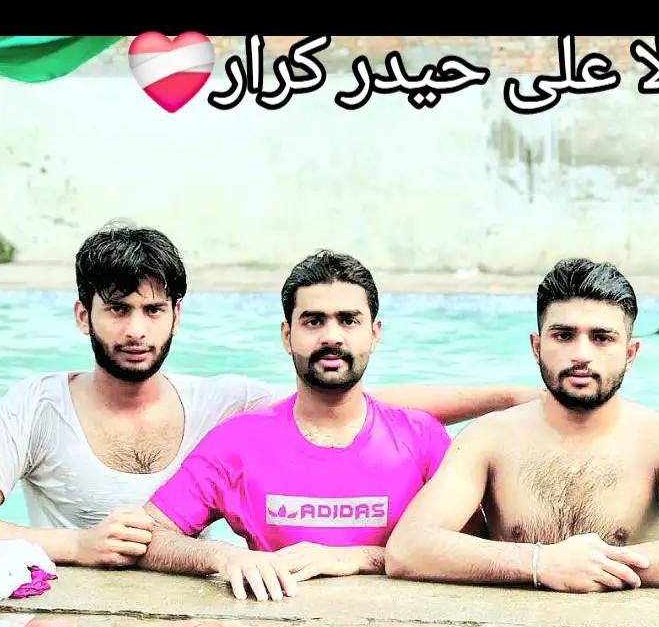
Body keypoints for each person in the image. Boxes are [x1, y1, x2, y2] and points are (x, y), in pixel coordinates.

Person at [0, 228, 533, 569]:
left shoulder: (225, 404)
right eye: (117, 310)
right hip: (73, 592)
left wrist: (511, 397)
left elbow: (345, 402)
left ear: (176, 317)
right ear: (83, 316)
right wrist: (74, 545)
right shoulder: (36, 406)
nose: (136, 330)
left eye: (153, 310)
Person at [142, 251, 477, 600]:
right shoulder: (238, 442)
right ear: (287, 336)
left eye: (348, 320)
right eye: (314, 321)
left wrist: (360, 558)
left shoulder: (422, 439)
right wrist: (224, 556)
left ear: (374, 334)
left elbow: (475, 546)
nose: (332, 337)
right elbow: (150, 536)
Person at [385, 257, 659, 593]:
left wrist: (595, 565)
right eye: (564, 335)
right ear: (537, 347)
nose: (581, 354)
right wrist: (539, 563)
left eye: (602, 338)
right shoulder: (489, 437)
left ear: (630, 354)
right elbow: (408, 548)